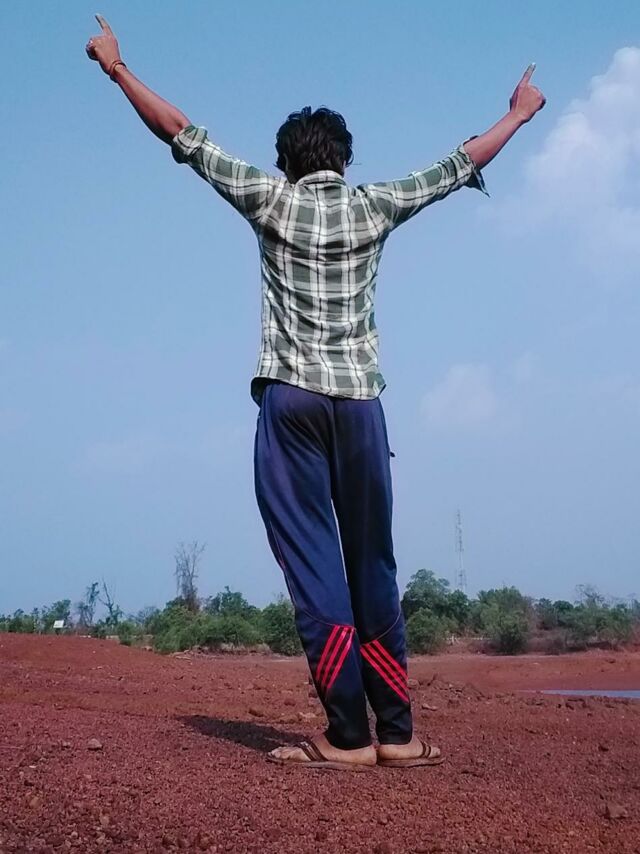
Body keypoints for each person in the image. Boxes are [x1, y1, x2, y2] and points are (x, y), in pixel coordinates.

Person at [86, 15, 545, 771]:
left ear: (288, 162)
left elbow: (181, 133)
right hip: (361, 406)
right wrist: (520, 114)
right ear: (344, 158)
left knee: (313, 561)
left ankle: (347, 738)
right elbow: (459, 164)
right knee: (373, 564)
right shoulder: (374, 205)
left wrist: (116, 67)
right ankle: (396, 734)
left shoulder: (271, 201)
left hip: (292, 403)